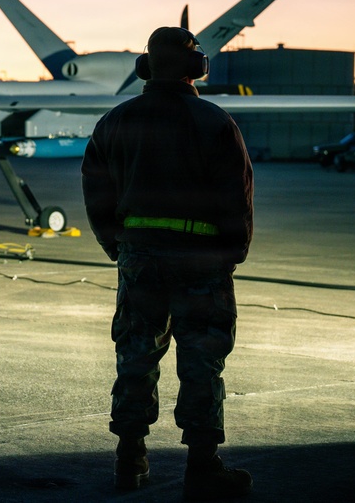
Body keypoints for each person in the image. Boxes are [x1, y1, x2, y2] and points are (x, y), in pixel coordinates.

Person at [81, 27, 254, 500]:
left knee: (135, 355)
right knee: (202, 360)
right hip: (201, 259)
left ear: (146, 68)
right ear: (196, 68)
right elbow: (236, 199)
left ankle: (129, 459)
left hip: (140, 258)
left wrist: (117, 245)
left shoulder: (114, 122)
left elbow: (96, 189)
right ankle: (202, 466)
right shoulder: (214, 121)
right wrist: (229, 255)